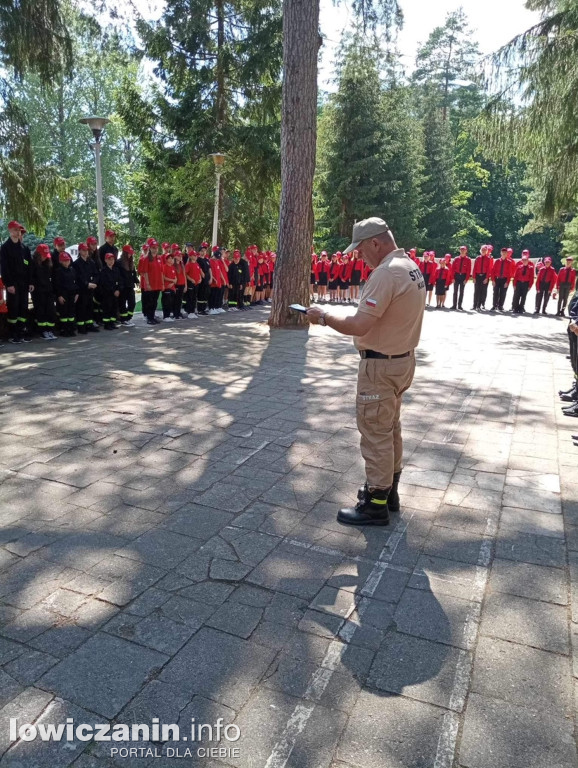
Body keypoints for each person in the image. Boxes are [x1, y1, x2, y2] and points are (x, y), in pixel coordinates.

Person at [307, 217, 425, 526]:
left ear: (375, 242)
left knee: (375, 433)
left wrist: (323, 317)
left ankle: (375, 503)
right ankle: (390, 493)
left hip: (381, 366)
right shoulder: (409, 266)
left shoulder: (385, 273)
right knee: (390, 429)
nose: (360, 257)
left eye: (361, 250)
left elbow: (359, 325)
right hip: (402, 360)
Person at [0, 220, 33, 344]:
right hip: (13, 284)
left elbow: (29, 266)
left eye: (19, 230)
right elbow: (4, 268)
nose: (18, 232)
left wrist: (30, 282)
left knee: (23, 308)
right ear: (10, 231)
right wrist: (8, 284)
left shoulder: (24, 248)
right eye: (15, 230)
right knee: (13, 308)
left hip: (24, 284)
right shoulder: (5, 248)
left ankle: (21, 332)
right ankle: (13, 334)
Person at [31, 244, 58, 339]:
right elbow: (32, 277)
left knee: (50, 310)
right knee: (41, 311)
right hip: (38, 292)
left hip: (48, 290)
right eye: (43, 254)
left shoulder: (48, 263)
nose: (44, 256)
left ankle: (50, 330)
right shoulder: (33, 264)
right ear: (38, 254)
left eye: (46, 254)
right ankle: (42, 331)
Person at [73, 243, 99, 334]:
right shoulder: (76, 264)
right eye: (83, 250)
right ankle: (81, 326)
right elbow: (77, 277)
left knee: (89, 307)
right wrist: (86, 284)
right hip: (82, 290)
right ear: (80, 251)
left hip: (90, 289)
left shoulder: (91, 262)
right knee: (81, 308)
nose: (86, 252)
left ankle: (89, 324)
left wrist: (94, 283)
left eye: (86, 250)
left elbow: (96, 274)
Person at [53, 252, 78, 336]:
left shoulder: (72, 270)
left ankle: (71, 329)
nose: (66, 262)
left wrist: (76, 293)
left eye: (67, 260)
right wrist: (59, 296)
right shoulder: (58, 271)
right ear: (60, 261)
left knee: (71, 313)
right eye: (64, 261)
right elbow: (57, 285)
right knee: (64, 313)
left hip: (72, 294)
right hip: (63, 295)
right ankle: (64, 329)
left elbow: (75, 282)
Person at [138, 240, 163, 325]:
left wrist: (162, 283)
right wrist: (147, 284)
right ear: (150, 248)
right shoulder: (146, 258)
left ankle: (152, 317)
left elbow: (161, 272)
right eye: (153, 248)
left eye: (156, 248)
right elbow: (145, 272)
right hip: (150, 284)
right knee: (149, 302)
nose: (155, 249)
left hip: (157, 284)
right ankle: (149, 318)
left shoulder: (159, 258)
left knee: (154, 302)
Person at [117, 244, 138, 327]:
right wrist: (119, 286)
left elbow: (133, 273)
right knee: (122, 304)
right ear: (125, 253)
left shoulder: (131, 263)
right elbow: (117, 275)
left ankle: (128, 317)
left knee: (132, 303)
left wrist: (136, 280)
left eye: (131, 253)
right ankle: (123, 320)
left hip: (130, 286)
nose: (130, 255)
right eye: (129, 253)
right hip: (123, 287)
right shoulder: (119, 262)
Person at [99, 252, 121, 330]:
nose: (111, 261)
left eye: (112, 259)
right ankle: (107, 324)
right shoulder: (103, 271)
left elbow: (119, 281)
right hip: (107, 294)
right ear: (105, 260)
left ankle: (112, 323)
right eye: (109, 259)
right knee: (107, 309)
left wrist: (118, 290)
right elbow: (104, 283)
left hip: (115, 294)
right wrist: (113, 291)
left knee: (113, 309)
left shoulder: (116, 270)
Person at [451, 245, 471, 310]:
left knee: (461, 292)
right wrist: (452, 278)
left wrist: (466, 279)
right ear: (460, 251)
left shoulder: (468, 260)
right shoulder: (456, 259)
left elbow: (468, 270)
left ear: (466, 251)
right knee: (455, 291)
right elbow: (452, 269)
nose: (462, 251)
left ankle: (459, 305)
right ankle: (454, 305)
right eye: (461, 250)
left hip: (463, 276)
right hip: (456, 276)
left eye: (464, 250)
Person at [472, 245, 492, 310]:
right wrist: (474, 277)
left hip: (484, 276)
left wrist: (487, 278)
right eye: (482, 250)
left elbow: (489, 269)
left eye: (484, 250)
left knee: (483, 291)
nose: (483, 251)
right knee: (476, 291)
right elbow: (474, 268)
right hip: (477, 276)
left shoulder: (489, 259)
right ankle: (474, 305)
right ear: (480, 251)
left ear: (486, 251)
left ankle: (481, 304)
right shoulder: (477, 258)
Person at [184, 246, 201, 318]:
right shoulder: (188, 265)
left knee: (194, 297)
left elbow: (199, 272)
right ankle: (189, 311)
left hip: (197, 283)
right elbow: (185, 274)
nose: (195, 256)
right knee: (190, 297)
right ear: (190, 256)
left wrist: (200, 278)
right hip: (191, 283)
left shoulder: (197, 264)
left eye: (196, 255)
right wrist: (191, 279)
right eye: (194, 255)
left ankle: (193, 311)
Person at [161, 252, 177, 321]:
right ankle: (165, 316)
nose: (171, 259)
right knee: (166, 302)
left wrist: (173, 282)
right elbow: (163, 277)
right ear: (166, 259)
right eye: (169, 258)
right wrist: (172, 281)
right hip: (167, 287)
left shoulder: (173, 267)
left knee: (171, 302)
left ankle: (169, 315)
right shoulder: (164, 267)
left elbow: (176, 278)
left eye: (172, 258)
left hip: (172, 287)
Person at [197, 243, 211, 316]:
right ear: (199, 252)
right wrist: (202, 274)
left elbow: (209, 269)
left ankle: (204, 308)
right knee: (201, 294)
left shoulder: (206, 259)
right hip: (202, 278)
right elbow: (198, 268)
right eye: (202, 251)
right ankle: (200, 309)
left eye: (204, 251)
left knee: (206, 293)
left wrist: (211, 277)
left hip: (207, 277)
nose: (203, 252)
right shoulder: (198, 259)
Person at [173, 250, 187, 319]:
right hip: (176, 284)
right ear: (175, 256)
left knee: (180, 299)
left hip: (182, 284)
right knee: (176, 300)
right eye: (179, 256)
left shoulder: (182, 264)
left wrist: (185, 285)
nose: (180, 257)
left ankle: (178, 312)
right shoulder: (173, 265)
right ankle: (175, 313)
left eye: (181, 256)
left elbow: (184, 275)